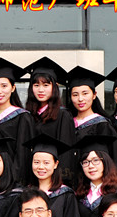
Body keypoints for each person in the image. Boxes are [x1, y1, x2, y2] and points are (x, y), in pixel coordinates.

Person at [22, 134, 85, 217]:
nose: (41, 167)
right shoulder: (25, 194)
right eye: (36, 162)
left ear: (55, 164)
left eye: (46, 162)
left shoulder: (66, 196)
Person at [23, 57, 77, 185]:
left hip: (54, 183)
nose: (41, 90)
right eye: (36, 85)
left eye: (46, 85)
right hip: (32, 180)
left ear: (54, 87)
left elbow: (66, 153)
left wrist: (59, 184)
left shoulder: (63, 115)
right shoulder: (27, 116)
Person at [0, 57, 34, 179]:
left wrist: (14, 181)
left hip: (12, 181)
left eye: (4, 86)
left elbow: (22, 155)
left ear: (13, 88)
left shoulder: (22, 117)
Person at [66, 66, 117, 143]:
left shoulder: (102, 125)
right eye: (75, 95)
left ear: (94, 95)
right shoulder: (66, 123)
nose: (80, 99)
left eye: (85, 93)